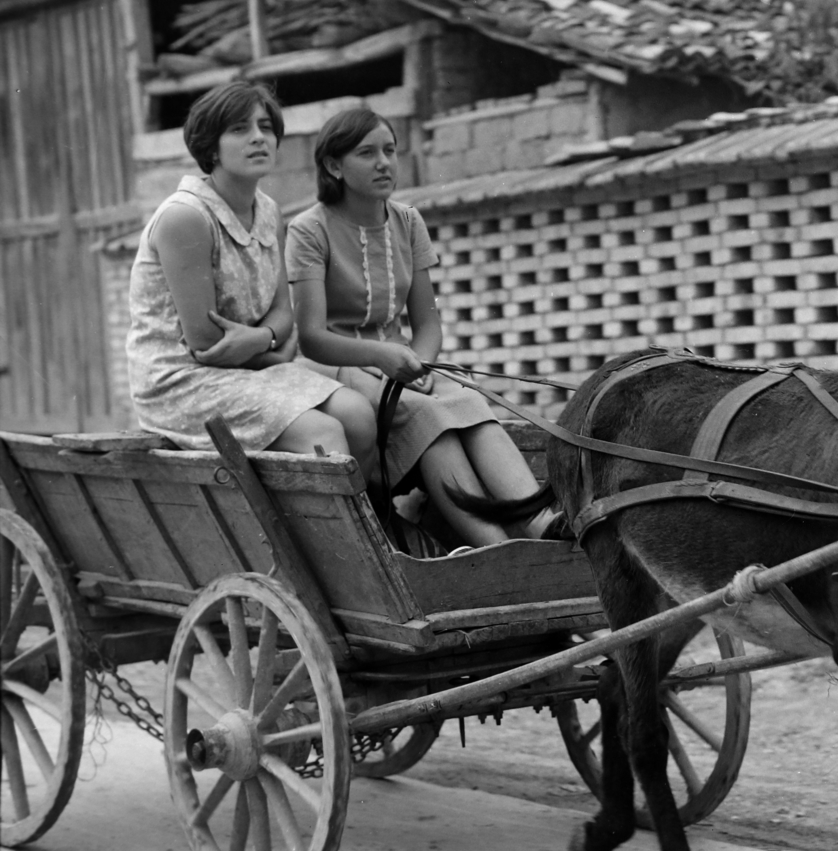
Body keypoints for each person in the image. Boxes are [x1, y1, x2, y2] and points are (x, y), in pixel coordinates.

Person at [286, 106, 544, 546]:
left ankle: (539, 523)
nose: (384, 162)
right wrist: (383, 358)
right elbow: (311, 337)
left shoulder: (407, 221)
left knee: (467, 400)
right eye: (367, 153)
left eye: (390, 150)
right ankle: (494, 545)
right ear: (333, 165)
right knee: (425, 414)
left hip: (402, 362)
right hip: (332, 366)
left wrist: (419, 363)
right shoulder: (308, 230)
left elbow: (427, 322)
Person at [126, 80, 377, 468]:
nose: (259, 138)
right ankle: (344, 528)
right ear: (210, 146)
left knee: (358, 417)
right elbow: (207, 343)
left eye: (266, 127)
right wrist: (274, 346)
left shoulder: (269, 211)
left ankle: (356, 522)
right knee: (323, 435)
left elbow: (283, 315)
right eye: (240, 129)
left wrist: (263, 338)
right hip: (182, 382)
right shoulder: (186, 217)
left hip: (250, 371)